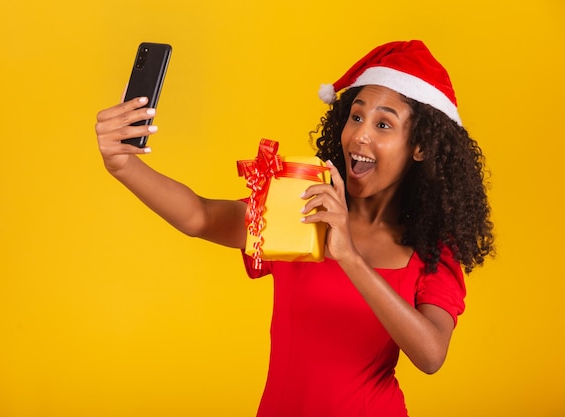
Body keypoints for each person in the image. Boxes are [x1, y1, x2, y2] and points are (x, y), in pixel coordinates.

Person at [95, 40, 495, 417]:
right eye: (356, 116)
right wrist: (124, 166)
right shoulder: (302, 207)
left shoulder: (431, 251)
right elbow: (200, 216)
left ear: (420, 147)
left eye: (384, 125)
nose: (360, 134)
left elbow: (430, 356)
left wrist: (349, 256)